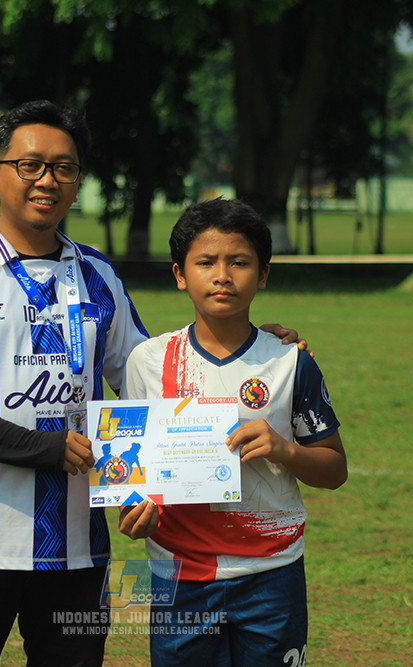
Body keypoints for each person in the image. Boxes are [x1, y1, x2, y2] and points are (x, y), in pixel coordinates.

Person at [0, 101, 306, 667]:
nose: (47, 181)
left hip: (76, 552)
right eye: (30, 165)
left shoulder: (96, 275)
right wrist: (42, 448)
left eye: (64, 168)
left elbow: (155, 381)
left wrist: (253, 342)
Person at [118, 197, 348, 666]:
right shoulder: (148, 362)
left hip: (271, 571)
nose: (223, 275)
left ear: (263, 274)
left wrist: (285, 450)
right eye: (206, 262)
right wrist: (131, 509)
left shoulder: (289, 361)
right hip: (178, 573)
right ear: (180, 274)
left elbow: (334, 469)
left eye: (239, 262)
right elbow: (127, 470)